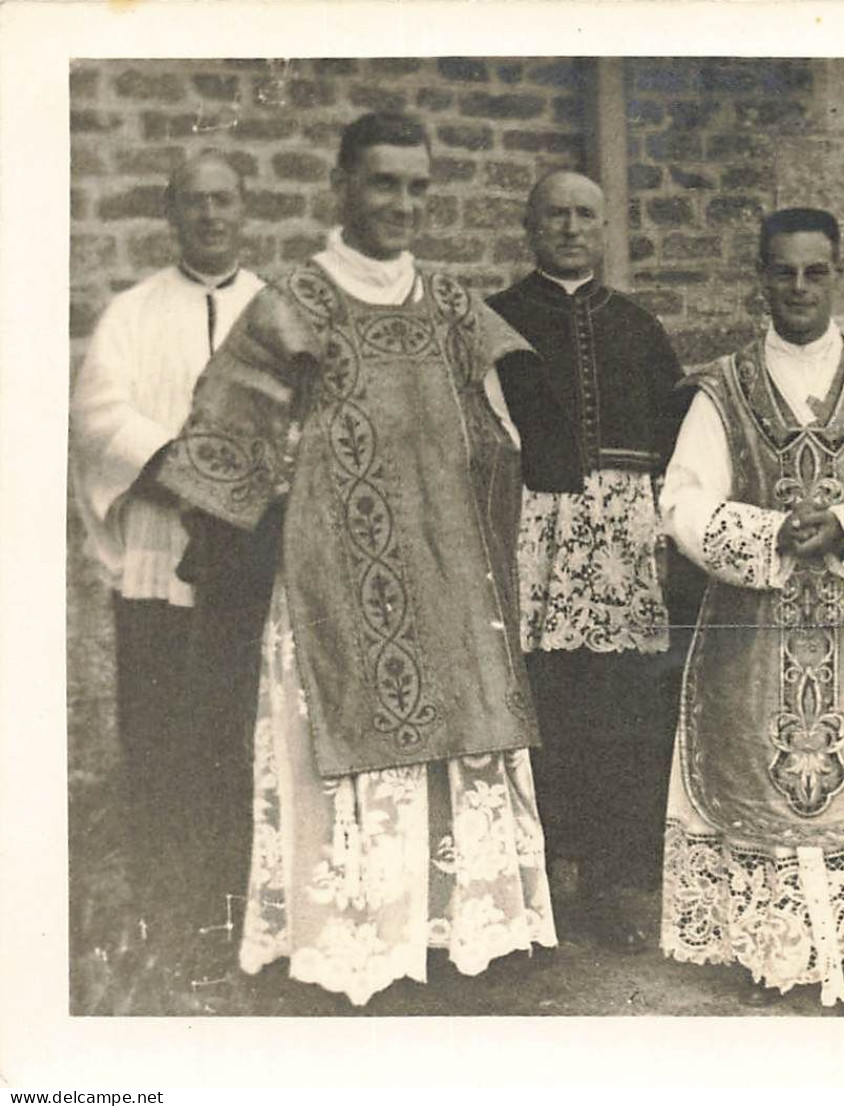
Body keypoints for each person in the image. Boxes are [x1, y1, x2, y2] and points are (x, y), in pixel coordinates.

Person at [155, 112, 556, 1006]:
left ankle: (453, 933)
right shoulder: (295, 301)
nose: (402, 204)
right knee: (343, 745)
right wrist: (281, 479)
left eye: (418, 187)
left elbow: (501, 436)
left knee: (457, 748)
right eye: (383, 183)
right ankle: (352, 945)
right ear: (341, 185)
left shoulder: (453, 304)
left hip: (448, 574)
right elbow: (225, 441)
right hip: (337, 579)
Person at [658, 207, 844, 1015]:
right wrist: (767, 534)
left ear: (838, 274)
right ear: (760, 277)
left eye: (814, 270)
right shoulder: (720, 388)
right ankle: (776, 952)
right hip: (752, 636)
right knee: (762, 785)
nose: (798, 287)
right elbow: (682, 498)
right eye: (783, 271)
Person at [70, 152, 265, 967]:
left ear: (245, 209)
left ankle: (246, 918)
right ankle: (164, 916)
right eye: (194, 202)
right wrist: (188, 475)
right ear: (171, 214)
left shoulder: (277, 310)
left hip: (254, 565)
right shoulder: (133, 313)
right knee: (157, 739)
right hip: (158, 555)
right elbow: (98, 418)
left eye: (224, 200)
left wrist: (243, 490)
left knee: (241, 741)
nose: (210, 216)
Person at [487, 171, 684, 950]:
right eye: (555, 215)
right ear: (530, 226)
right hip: (533, 530)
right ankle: (541, 879)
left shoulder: (637, 326)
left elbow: (674, 443)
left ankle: (613, 879)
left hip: (623, 536)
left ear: (604, 229)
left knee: (622, 707)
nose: (570, 228)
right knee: (542, 698)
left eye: (584, 216)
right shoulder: (496, 321)